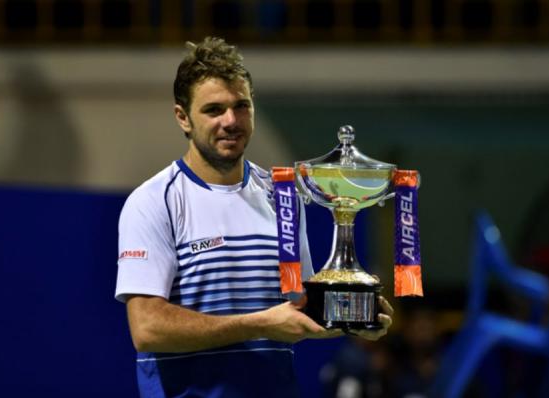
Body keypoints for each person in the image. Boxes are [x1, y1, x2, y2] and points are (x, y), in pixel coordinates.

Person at [114, 36, 393, 398]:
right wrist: (259, 324)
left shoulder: (284, 197)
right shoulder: (153, 202)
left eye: (241, 106)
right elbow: (148, 329)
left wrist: (354, 316)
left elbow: (297, 312)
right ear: (183, 118)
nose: (231, 121)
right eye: (214, 110)